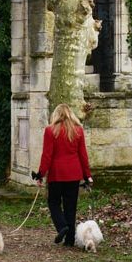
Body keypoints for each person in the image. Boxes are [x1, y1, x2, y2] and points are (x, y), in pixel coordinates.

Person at [35, 103, 93, 247]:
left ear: (56, 115)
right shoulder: (78, 130)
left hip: (56, 174)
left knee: (53, 202)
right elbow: (83, 155)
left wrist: (41, 174)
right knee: (70, 206)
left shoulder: (50, 131)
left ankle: (62, 226)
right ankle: (70, 240)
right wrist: (87, 175)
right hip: (74, 173)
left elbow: (47, 156)